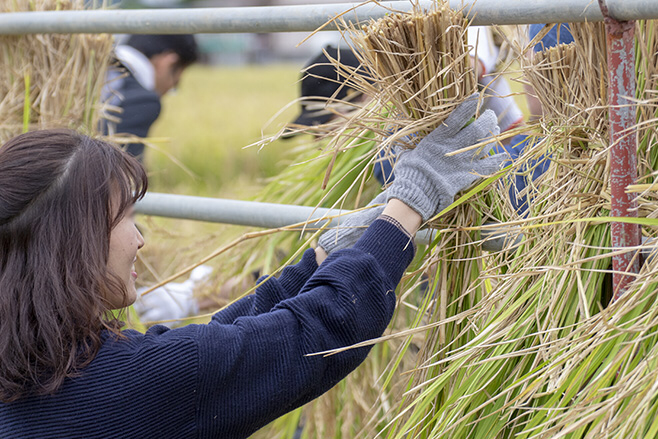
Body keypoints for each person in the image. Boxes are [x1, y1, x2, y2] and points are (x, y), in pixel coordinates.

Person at [0, 96, 503, 438]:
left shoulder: (33, 364)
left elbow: (223, 349)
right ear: (74, 244)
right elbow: (318, 331)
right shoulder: (135, 382)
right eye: (126, 218)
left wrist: (324, 257)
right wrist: (411, 201)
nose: (140, 239)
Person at [102, 34, 199, 160]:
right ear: (169, 63)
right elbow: (119, 172)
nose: (167, 91)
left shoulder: (94, 61)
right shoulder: (143, 100)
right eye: (175, 84)